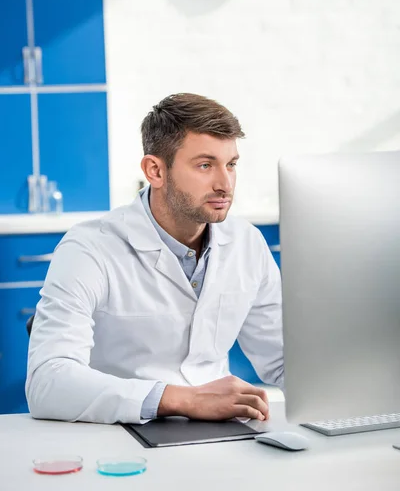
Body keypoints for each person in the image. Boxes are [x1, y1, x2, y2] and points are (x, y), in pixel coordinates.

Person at [26, 93, 283, 425]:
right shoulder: (89, 249)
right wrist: (182, 399)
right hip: (120, 434)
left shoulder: (246, 242)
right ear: (155, 170)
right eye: (205, 165)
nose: (225, 184)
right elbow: (48, 383)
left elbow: (282, 360)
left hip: (222, 432)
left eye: (231, 164)